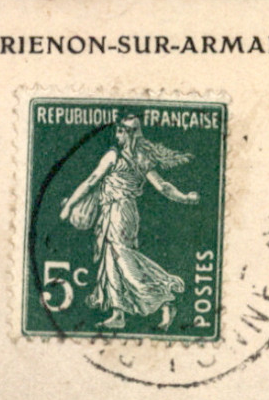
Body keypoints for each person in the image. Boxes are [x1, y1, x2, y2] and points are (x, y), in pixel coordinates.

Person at [58, 114, 200, 330]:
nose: (117, 135)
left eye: (120, 131)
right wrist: (185, 197)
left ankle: (165, 295)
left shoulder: (113, 156)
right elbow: (163, 186)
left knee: (123, 260)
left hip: (118, 212)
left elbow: (91, 181)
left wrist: (69, 206)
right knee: (112, 260)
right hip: (123, 212)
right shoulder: (142, 158)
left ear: (127, 133)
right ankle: (119, 314)